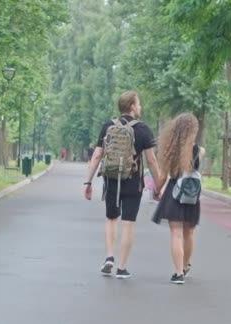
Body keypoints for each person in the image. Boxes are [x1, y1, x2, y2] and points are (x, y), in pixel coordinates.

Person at [84, 91, 160, 279]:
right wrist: (159, 185)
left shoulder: (108, 126)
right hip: (133, 182)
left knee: (111, 218)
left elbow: (97, 156)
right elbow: (151, 161)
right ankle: (122, 267)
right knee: (128, 223)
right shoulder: (143, 129)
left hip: (111, 179)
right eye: (139, 104)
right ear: (132, 107)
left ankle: (109, 256)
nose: (140, 107)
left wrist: (88, 181)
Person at [152, 113, 205, 284]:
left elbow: (162, 176)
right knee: (189, 232)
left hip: (174, 194)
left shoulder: (170, 151)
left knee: (175, 233)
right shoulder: (200, 151)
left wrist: (157, 190)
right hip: (191, 195)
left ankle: (178, 273)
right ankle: (185, 266)